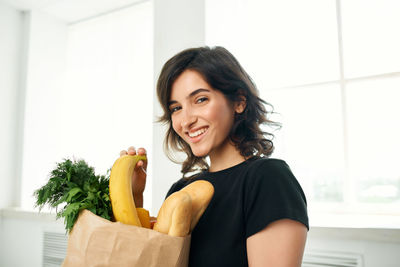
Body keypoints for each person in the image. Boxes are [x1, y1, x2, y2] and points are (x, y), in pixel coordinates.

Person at [120, 46, 309, 267]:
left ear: (239, 102)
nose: (186, 120)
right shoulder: (180, 191)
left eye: (200, 100)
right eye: (176, 108)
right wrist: (133, 198)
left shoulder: (268, 179)